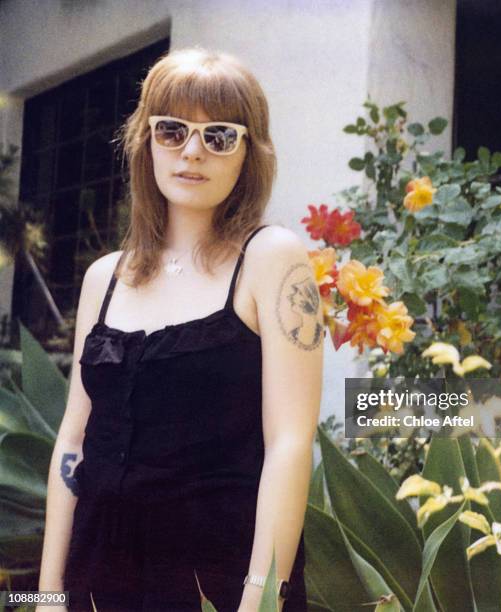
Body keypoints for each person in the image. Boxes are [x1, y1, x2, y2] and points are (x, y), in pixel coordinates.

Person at [36, 46, 324, 612]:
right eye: (172, 130)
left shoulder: (271, 258)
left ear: (249, 153)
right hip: (98, 578)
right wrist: (45, 596)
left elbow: (290, 444)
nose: (193, 151)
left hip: (217, 583)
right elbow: (74, 441)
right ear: (145, 141)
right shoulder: (104, 278)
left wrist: (261, 600)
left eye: (219, 135)